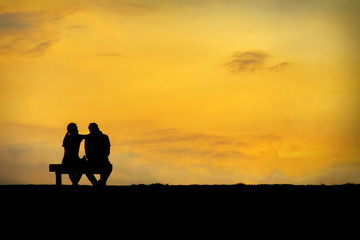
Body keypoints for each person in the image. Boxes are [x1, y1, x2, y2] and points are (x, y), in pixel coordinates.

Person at [85, 123, 112, 187]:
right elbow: (107, 151)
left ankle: (99, 183)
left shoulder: (104, 137)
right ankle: (98, 183)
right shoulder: (104, 137)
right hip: (97, 161)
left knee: (108, 167)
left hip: (99, 161)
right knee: (108, 167)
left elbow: (107, 151)